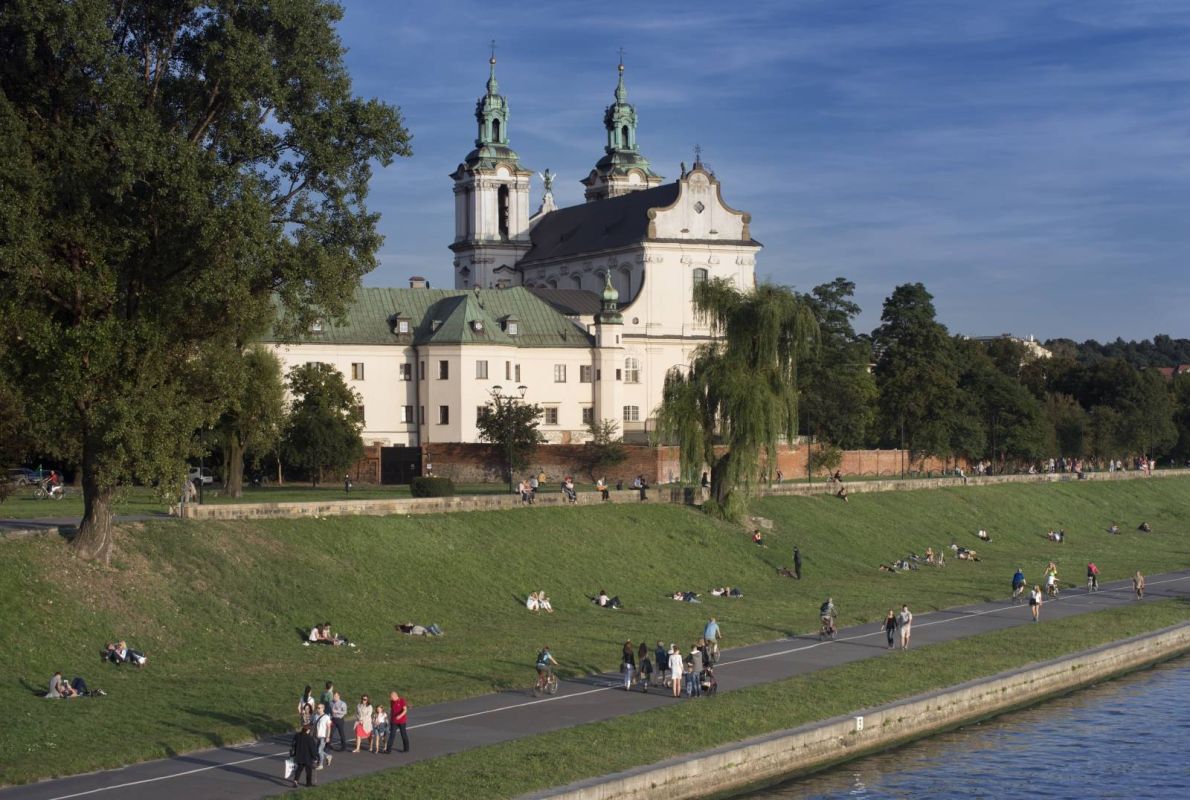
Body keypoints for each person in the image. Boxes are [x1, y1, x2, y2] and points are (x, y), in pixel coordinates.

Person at [289, 724, 320, 788]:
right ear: (308, 730)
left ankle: (295, 781)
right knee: (309, 771)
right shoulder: (310, 738)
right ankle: (308, 783)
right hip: (307, 757)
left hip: (299, 756)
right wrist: (315, 757)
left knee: (299, 769)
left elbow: (293, 745)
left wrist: (294, 754)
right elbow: (312, 749)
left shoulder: (297, 736)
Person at [312, 702, 332, 769]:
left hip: (323, 736)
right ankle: (327, 756)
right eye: (317, 708)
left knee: (319, 750)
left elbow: (329, 728)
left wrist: (328, 737)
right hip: (316, 736)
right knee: (316, 750)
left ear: (323, 708)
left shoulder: (326, 717)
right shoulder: (315, 716)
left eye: (319, 708)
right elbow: (314, 725)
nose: (317, 709)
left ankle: (320, 765)